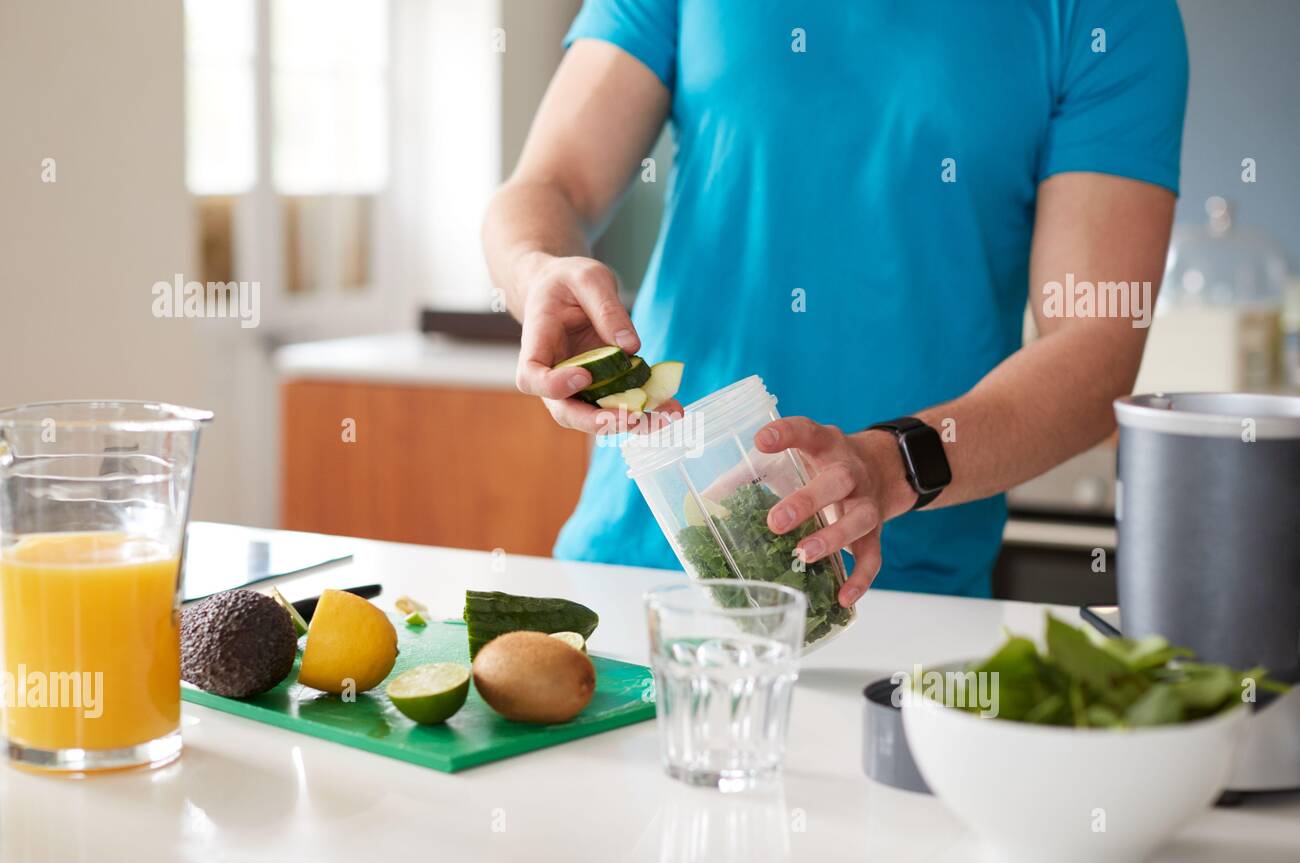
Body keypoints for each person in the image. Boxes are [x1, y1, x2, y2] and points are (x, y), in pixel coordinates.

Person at [482, 0, 1187, 606]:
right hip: (636, 575)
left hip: (901, 602)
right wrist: (536, 267)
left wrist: (891, 465)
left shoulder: (1110, 16)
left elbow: (1098, 339)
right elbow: (550, 186)